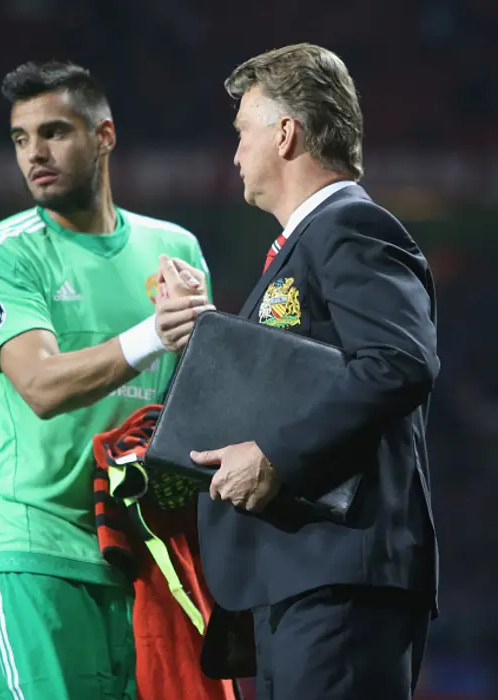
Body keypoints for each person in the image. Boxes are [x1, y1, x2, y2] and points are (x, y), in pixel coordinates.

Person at [182, 44, 439, 700]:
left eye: (242, 133)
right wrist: (207, 337)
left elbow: (399, 361)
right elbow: (299, 374)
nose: (235, 153)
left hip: (340, 581)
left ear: (285, 133)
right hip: (299, 580)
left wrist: (273, 458)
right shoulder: (303, 247)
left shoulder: (350, 225)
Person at [0, 60, 213, 700]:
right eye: (20, 138)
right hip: (35, 558)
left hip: (145, 563)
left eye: (54, 132)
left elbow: (197, 403)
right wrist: (154, 334)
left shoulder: (172, 249)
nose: (34, 153)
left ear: (104, 137)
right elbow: (39, 386)